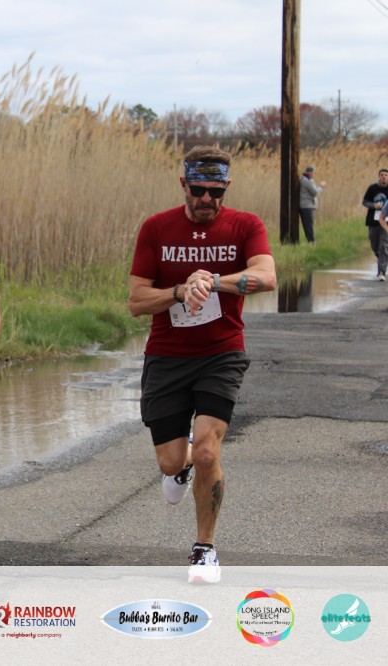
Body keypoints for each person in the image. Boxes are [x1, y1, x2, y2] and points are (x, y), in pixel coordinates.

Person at [128, 145, 277, 584]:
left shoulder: (245, 225)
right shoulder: (157, 228)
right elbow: (136, 301)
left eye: (216, 191)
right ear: (184, 185)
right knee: (170, 462)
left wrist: (211, 281)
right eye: (199, 190)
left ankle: (204, 549)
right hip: (167, 356)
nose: (207, 199)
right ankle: (183, 466)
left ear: (226, 187)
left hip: (221, 353)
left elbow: (267, 276)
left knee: (209, 449)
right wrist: (179, 291)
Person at [361, 168, 388, 280]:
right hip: (373, 221)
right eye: (382, 175)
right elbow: (364, 202)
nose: (384, 177)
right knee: (375, 246)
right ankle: (381, 257)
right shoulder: (372, 188)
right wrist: (374, 205)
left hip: (386, 222)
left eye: (386, 175)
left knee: (384, 245)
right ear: (379, 176)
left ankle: (382, 272)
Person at [298, 165, 326, 244]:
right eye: (313, 173)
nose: (313, 174)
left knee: (308, 225)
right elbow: (315, 192)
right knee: (309, 225)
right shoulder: (307, 180)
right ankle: (312, 242)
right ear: (310, 173)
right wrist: (321, 187)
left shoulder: (306, 179)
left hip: (306, 206)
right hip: (307, 206)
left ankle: (311, 241)